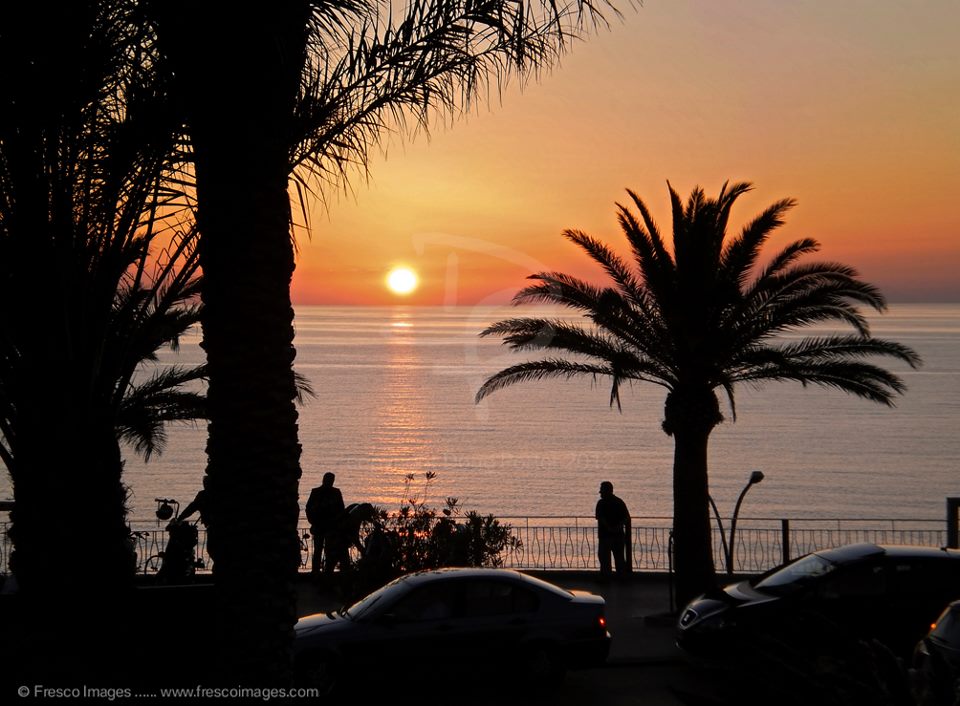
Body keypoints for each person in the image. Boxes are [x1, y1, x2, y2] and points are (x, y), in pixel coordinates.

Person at [306, 472, 345, 575]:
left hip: (331, 526)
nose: (330, 482)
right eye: (329, 480)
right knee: (318, 550)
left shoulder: (336, 492)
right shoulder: (316, 492)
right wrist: (313, 521)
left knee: (329, 550)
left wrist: (337, 522)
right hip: (319, 526)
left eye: (331, 480)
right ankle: (316, 571)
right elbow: (308, 508)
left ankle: (327, 571)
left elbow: (341, 509)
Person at [595, 481, 631, 579]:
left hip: (605, 536)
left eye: (602, 490)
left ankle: (606, 578)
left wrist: (609, 528)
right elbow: (626, 518)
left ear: (607, 491)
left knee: (604, 560)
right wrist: (618, 527)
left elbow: (600, 518)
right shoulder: (619, 502)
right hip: (618, 536)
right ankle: (622, 578)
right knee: (619, 559)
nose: (600, 492)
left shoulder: (601, 503)